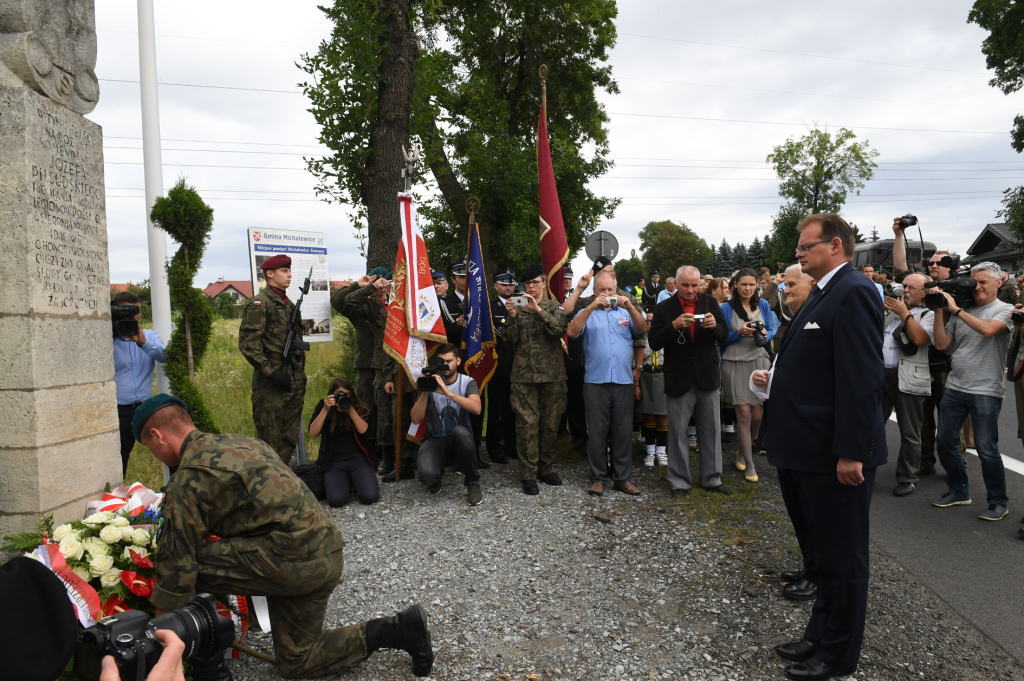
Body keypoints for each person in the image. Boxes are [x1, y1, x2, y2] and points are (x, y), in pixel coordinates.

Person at [133, 394, 434, 679]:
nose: (155, 452)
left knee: (188, 568)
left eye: (150, 445)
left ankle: (207, 663)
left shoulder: (187, 480)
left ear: (158, 436)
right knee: (296, 661)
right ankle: (397, 629)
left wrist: (159, 647)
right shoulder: (244, 442)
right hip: (325, 551)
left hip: (292, 562)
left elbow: (176, 569)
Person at [757, 213, 886, 680]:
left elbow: (861, 379)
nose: (798, 254)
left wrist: (853, 450)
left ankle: (838, 655)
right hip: (811, 450)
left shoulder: (853, 291)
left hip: (836, 453)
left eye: (805, 246)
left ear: (835, 245)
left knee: (845, 558)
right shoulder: (827, 291)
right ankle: (820, 634)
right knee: (827, 556)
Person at [931, 261, 1014, 520]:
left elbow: (989, 331)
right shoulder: (961, 311)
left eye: (983, 282)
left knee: (987, 448)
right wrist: (938, 311)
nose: (976, 287)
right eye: (974, 282)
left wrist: (955, 310)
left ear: (999, 283)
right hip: (956, 385)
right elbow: (943, 345)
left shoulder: (1006, 310)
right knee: (944, 441)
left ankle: (998, 501)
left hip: (986, 389)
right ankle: (959, 491)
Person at [762, 264, 819, 604]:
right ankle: (810, 564)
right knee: (797, 507)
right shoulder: (795, 316)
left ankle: (818, 573)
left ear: (815, 283)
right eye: (783, 284)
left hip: (808, 429)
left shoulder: (821, 316)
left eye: (792, 283)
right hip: (789, 425)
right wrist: (768, 379)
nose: (785, 289)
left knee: (814, 510)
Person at [649, 266, 730, 497]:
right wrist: (673, 326)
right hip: (679, 376)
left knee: (711, 430)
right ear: (676, 283)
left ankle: (712, 479)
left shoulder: (710, 303)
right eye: (685, 285)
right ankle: (679, 482)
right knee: (677, 432)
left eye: (695, 285)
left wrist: (715, 327)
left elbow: (724, 336)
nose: (690, 290)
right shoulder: (664, 307)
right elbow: (654, 341)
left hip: (707, 375)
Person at [568, 270, 648, 495]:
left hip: (622, 380)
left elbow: (642, 329)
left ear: (617, 291)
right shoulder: (588, 311)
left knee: (623, 432)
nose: (606, 293)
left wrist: (630, 306)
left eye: (610, 290)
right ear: (594, 292)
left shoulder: (625, 311)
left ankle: (622, 478)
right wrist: (591, 307)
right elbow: (572, 332)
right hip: (595, 381)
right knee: (597, 432)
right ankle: (597, 477)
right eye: (602, 290)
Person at [505, 264, 568, 495]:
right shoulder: (517, 307)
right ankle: (528, 474)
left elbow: (558, 331)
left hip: (552, 376)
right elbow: (510, 340)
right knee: (526, 424)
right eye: (527, 283)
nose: (531, 287)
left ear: (544, 283)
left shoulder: (554, 307)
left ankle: (545, 468)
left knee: (551, 423)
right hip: (524, 377)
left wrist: (538, 310)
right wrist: (512, 316)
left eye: (535, 282)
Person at [239, 254, 307, 463]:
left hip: (293, 381)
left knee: (289, 438)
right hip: (271, 387)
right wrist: (272, 373)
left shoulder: (289, 304)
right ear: (270, 274)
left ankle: (283, 481)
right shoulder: (260, 304)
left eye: (289, 271)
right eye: (284, 271)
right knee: (270, 442)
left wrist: (300, 373)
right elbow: (248, 344)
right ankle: (269, 486)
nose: (289, 275)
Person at [718, 268, 778, 483]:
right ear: (735, 285)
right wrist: (739, 333)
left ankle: (743, 451)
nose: (748, 288)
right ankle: (749, 463)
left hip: (758, 361)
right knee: (743, 414)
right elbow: (719, 339)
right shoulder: (725, 308)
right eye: (743, 284)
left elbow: (771, 330)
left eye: (752, 284)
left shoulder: (762, 304)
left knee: (757, 415)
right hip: (734, 362)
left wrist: (765, 333)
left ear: (756, 285)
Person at [881, 263, 936, 497]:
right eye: (903, 286)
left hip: (908, 377)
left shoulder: (929, 314)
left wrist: (905, 313)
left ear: (924, 293)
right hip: (880, 375)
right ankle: (862, 466)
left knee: (910, 432)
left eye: (910, 288)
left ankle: (907, 476)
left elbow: (920, 339)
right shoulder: (889, 311)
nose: (904, 291)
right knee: (871, 424)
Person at [410, 343, 483, 505]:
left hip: (460, 441)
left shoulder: (467, 382)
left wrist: (447, 392)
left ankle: (472, 481)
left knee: (460, 432)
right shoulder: (429, 381)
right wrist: (425, 391)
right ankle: (437, 473)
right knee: (427, 477)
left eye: (448, 361)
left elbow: (477, 408)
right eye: (440, 361)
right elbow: (415, 419)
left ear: (458, 361)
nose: (444, 366)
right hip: (434, 440)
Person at [331, 271, 386, 457]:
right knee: (366, 406)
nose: (380, 285)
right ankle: (367, 447)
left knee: (386, 408)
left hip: (388, 364)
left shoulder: (394, 304)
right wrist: (359, 285)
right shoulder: (362, 304)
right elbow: (337, 302)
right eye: (376, 281)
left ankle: (385, 449)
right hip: (366, 364)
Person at [112, 291, 167, 477]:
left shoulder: (149, 336)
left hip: (147, 407)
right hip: (120, 410)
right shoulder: (107, 340)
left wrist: (143, 342)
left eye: (138, 313)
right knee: (120, 458)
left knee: (169, 447)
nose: (134, 318)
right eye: (128, 314)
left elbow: (165, 356)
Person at [309, 376, 379, 507]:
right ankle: (347, 481)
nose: (342, 397)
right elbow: (313, 433)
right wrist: (325, 410)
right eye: (338, 394)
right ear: (331, 395)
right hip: (334, 460)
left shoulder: (357, 406)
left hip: (357, 458)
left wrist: (351, 410)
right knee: (336, 501)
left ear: (351, 394)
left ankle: (354, 480)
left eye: (346, 394)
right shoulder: (323, 406)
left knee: (370, 497)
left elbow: (366, 432)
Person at [921, 248, 954, 474]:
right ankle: (925, 463)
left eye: (941, 263)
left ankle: (955, 466)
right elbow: (902, 268)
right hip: (923, 360)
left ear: (950, 266)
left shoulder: (960, 290)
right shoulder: (923, 287)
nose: (934, 265)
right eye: (931, 262)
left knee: (950, 419)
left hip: (949, 364)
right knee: (923, 417)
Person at [486, 268, 518, 464]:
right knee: (496, 410)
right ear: (496, 286)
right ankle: (494, 447)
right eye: (504, 284)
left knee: (514, 410)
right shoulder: (490, 308)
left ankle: (511, 446)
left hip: (520, 368)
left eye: (511, 284)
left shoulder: (523, 305)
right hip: (498, 368)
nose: (508, 287)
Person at [561, 266, 589, 454]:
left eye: (569, 278)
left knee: (577, 402)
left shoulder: (579, 301)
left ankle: (579, 438)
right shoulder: (550, 299)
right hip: (555, 359)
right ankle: (558, 435)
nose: (567, 281)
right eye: (564, 278)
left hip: (575, 357)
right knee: (556, 402)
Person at [440, 259, 467, 346]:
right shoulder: (443, 303)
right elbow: (438, 333)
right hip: (453, 353)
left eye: (468, 276)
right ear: (453, 280)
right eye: (461, 277)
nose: (466, 280)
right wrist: (457, 325)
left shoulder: (480, 303)